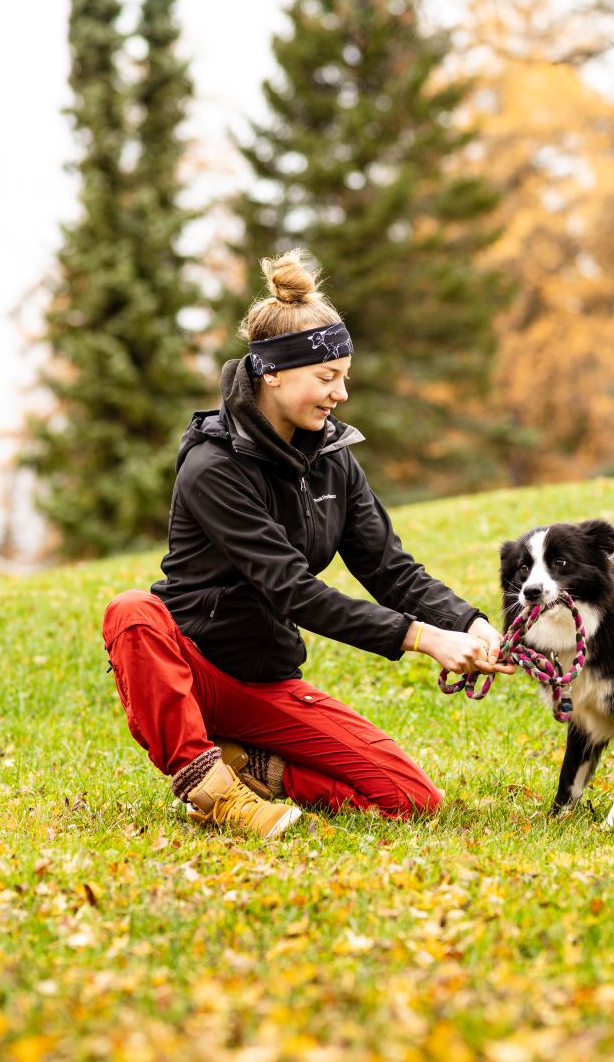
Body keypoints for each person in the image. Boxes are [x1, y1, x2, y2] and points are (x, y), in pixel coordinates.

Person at [98, 251, 509, 838]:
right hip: (188, 669)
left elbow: (389, 568)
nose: (341, 394)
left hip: (264, 680)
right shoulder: (212, 467)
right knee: (132, 612)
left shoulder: (334, 460)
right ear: (273, 373)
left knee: (410, 798)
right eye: (327, 378)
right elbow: (293, 591)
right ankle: (210, 788)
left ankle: (251, 766)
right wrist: (422, 639)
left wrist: (464, 621)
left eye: (344, 376)